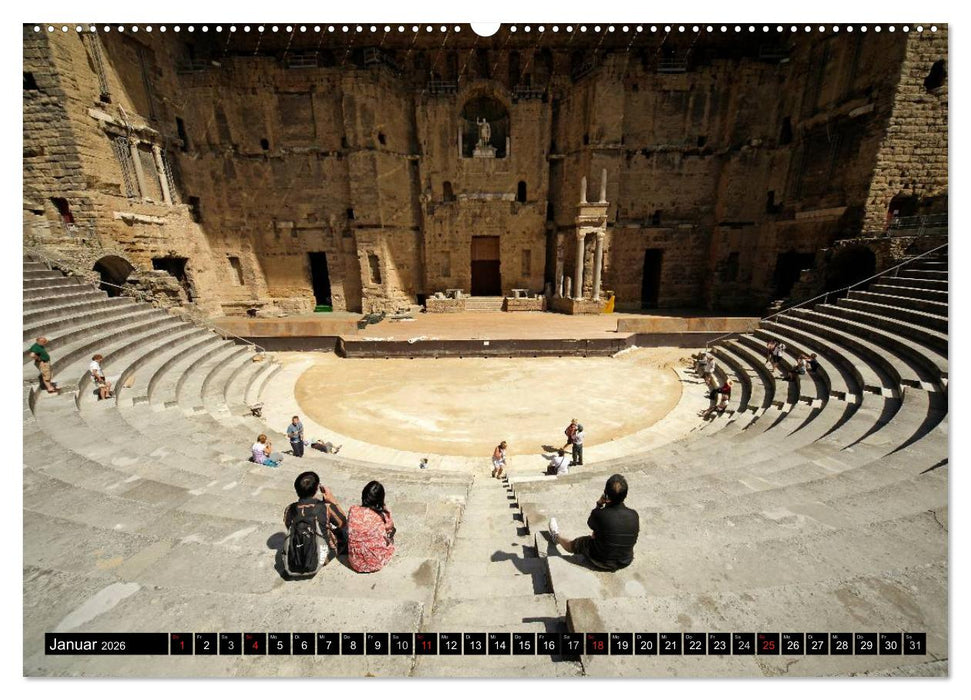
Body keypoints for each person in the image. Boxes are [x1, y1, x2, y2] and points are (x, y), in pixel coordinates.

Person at [548, 474, 639, 571]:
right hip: (625, 561)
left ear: (606, 494)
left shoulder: (599, 514)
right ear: (625, 495)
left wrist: (599, 504)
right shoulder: (634, 515)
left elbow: (590, 523)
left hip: (600, 560)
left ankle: (556, 537)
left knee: (575, 544)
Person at [282, 471, 348, 575]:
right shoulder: (326, 507)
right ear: (317, 489)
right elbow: (343, 522)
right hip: (323, 557)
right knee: (345, 530)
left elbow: (288, 526)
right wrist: (332, 501)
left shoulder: (289, 509)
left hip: (298, 555)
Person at [346, 481, 396, 573]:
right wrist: (385, 510)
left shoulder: (353, 510)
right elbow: (390, 528)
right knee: (391, 532)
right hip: (376, 562)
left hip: (355, 563)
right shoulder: (382, 515)